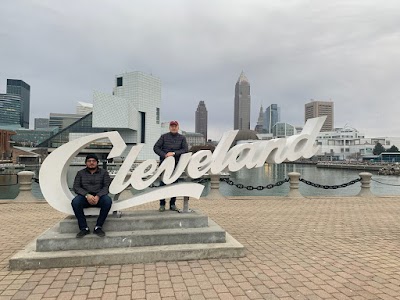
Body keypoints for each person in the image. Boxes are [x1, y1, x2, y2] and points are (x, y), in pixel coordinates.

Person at [71, 154, 112, 238]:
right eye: (89, 161)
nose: (91, 163)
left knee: (107, 201)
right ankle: (84, 228)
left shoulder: (104, 173)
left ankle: (98, 227)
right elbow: (76, 187)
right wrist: (87, 195)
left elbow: (106, 187)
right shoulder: (80, 173)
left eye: (93, 161)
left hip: (99, 198)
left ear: (97, 162)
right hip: (85, 197)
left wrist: (98, 196)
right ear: (86, 163)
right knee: (75, 202)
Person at [153, 120, 188, 212]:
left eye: (175, 126)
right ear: (169, 127)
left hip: (176, 165)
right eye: (172, 126)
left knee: (174, 185)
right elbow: (155, 147)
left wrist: (173, 153)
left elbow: (185, 150)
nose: (173, 127)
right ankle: (162, 204)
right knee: (162, 185)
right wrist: (164, 155)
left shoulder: (182, 138)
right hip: (164, 165)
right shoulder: (164, 137)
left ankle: (172, 204)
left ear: (178, 127)